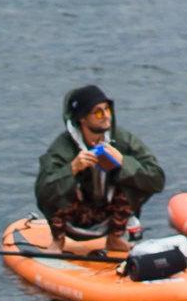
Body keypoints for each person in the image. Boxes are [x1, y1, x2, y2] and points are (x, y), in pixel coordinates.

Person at [35, 85, 166, 257]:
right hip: (74, 216)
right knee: (56, 185)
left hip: (108, 210)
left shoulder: (122, 140)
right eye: (98, 112)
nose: (106, 116)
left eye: (107, 110)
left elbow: (157, 179)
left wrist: (123, 163)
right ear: (82, 118)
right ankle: (58, 240)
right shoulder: (61, 149)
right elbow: (43, 192)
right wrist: (72, 169)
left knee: (136, 178)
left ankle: (115, 237)